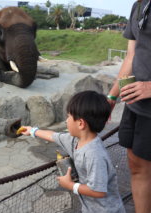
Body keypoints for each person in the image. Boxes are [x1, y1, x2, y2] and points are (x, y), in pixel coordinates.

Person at [21, 91, 125, 213]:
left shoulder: (94, 154)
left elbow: (99, 191)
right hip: (90, 208)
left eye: (69, 116)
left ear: (81, 123)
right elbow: (53, 136)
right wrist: (32, 131)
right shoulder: (74, 140)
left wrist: (71, 186)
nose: (66, 121)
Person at [107, 0, 151, 212]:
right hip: (136, 105)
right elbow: (132, 56)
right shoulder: (139, 5)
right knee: (136, 164)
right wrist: (111, 98)